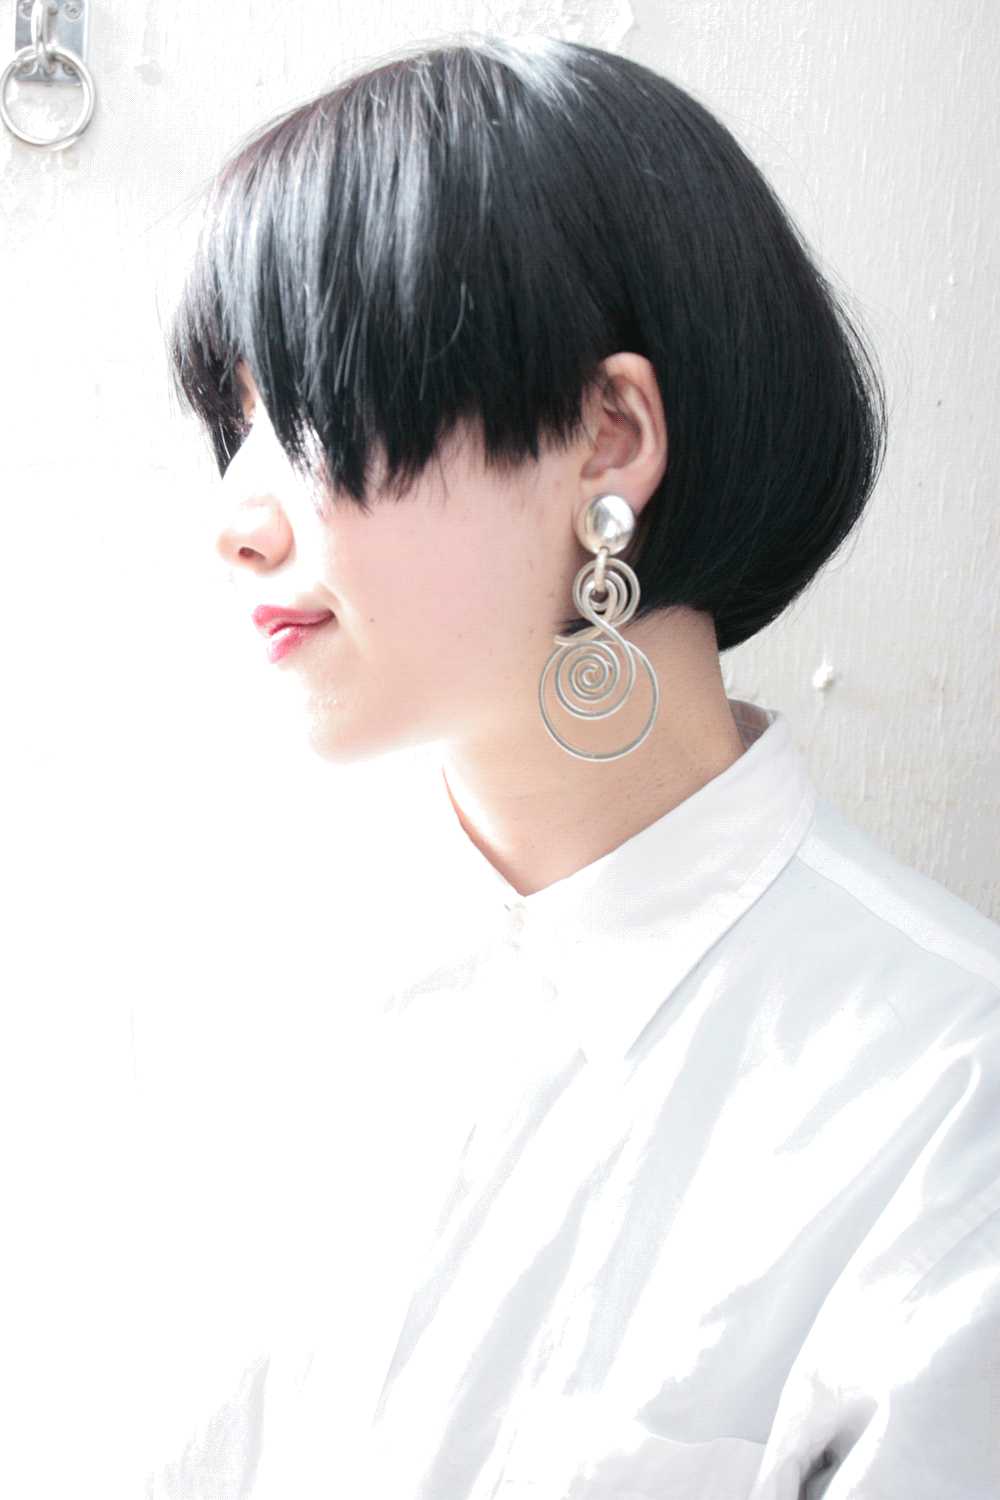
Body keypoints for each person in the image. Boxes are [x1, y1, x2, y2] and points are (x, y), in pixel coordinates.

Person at [154, 36, 1000, 1500]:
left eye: (304, 411)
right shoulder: (263, 981)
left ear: (607, 438)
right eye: (233, 427)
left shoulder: (943, 1104)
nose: (234, 519)